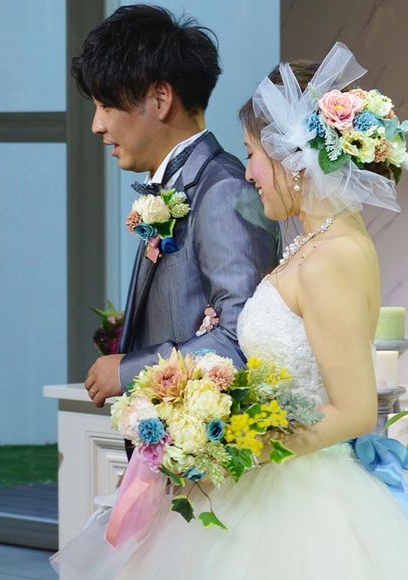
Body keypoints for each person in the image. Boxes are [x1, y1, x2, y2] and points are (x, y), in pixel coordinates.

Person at [53, 43, 408, 579]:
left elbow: (354, 411)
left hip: (301, 492)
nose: (249, 173)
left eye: (252, 154)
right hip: (272, 482)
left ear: (293, 158)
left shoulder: (334, 256)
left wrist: (243, 448)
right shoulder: (314, 245)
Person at [76, 3, 280, 458]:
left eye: (106, 105)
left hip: (208, 463)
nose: (97, 125)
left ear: (160, 98)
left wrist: (127, 370)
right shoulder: (182, 184)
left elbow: (242, 337)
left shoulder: (223, 189)